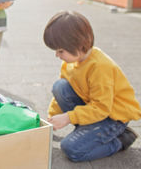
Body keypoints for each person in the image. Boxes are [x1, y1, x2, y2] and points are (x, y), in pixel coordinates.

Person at [43, 10, 141, 162]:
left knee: (71, 149)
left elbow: (102, 108)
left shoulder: (100, 67)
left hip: (113, 117)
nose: (57, 55)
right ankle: (88, 131)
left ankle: (120, 140)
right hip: (94, 109)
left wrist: (69, 117)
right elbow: (59, 95)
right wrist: (51, 117)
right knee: (60, 86)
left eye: (60, 50)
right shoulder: (70, 62)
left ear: (78, 44)